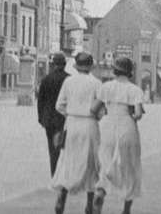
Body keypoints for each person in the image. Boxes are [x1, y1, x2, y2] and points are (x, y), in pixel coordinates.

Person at [51, 52, 102, 214]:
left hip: (72, 124)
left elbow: (59, 105)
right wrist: (96, 116)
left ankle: (62, 196)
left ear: (76, 66)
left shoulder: (69, 81)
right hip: (90, 125)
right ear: (91, 66)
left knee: (68, 161)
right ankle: (89, 204)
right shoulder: (96, 83)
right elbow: (100, 110)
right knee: (90, 163)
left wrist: (70, 113)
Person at [92, 57, 144, 214]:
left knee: (105, 161)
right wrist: (132, 116)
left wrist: (103, 115)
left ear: (115, 70)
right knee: (130, 165)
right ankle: (126, 208)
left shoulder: (106, 87)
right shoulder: (135, 89)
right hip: (127, 126)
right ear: (130, 72)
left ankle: (101, 191)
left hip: (107, 125)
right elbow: (138, 114)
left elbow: (94, 109)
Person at [37, 53, 70, 177]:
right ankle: (64, 175)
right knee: (65, 149)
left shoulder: (46, 79)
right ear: (64, 64)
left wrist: (41, 118)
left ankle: (54, 174)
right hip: (64, 119)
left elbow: (40, 101)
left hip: (49, 120)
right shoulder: (69, 79)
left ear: (53, 64)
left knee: (52, 149)